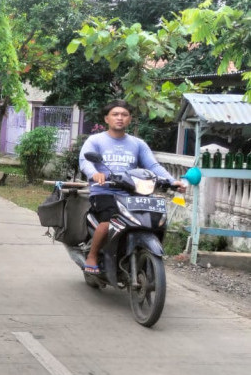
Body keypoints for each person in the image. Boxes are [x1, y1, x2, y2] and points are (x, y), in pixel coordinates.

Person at [78, 99, 186, 274]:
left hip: (131, 192)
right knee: (108, 221)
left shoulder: (138, 144)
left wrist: (172, 181)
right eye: (115, 114)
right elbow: (85, 162)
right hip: (104, 191)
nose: (119, 118)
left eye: (124, 115)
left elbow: (153, 166)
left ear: (129, 119)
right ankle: (92, 255)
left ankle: (143, 253)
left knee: (152, 219)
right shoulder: (95, 140)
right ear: (106, 119)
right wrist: (94, 174)